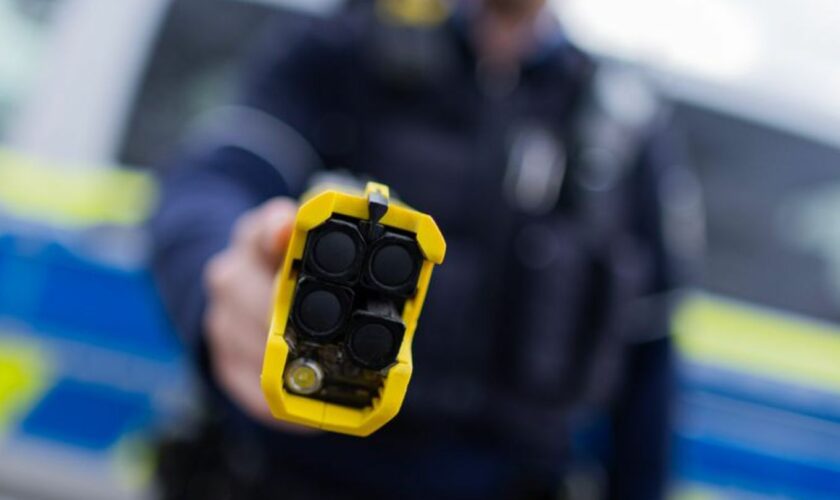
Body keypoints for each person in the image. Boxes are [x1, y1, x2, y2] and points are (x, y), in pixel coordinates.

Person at [151, 0, 696, 498]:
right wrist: (221, 280)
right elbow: (213, 184)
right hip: (286, 474)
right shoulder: (338, 49)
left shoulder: (622, 127)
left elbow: (649, 353)